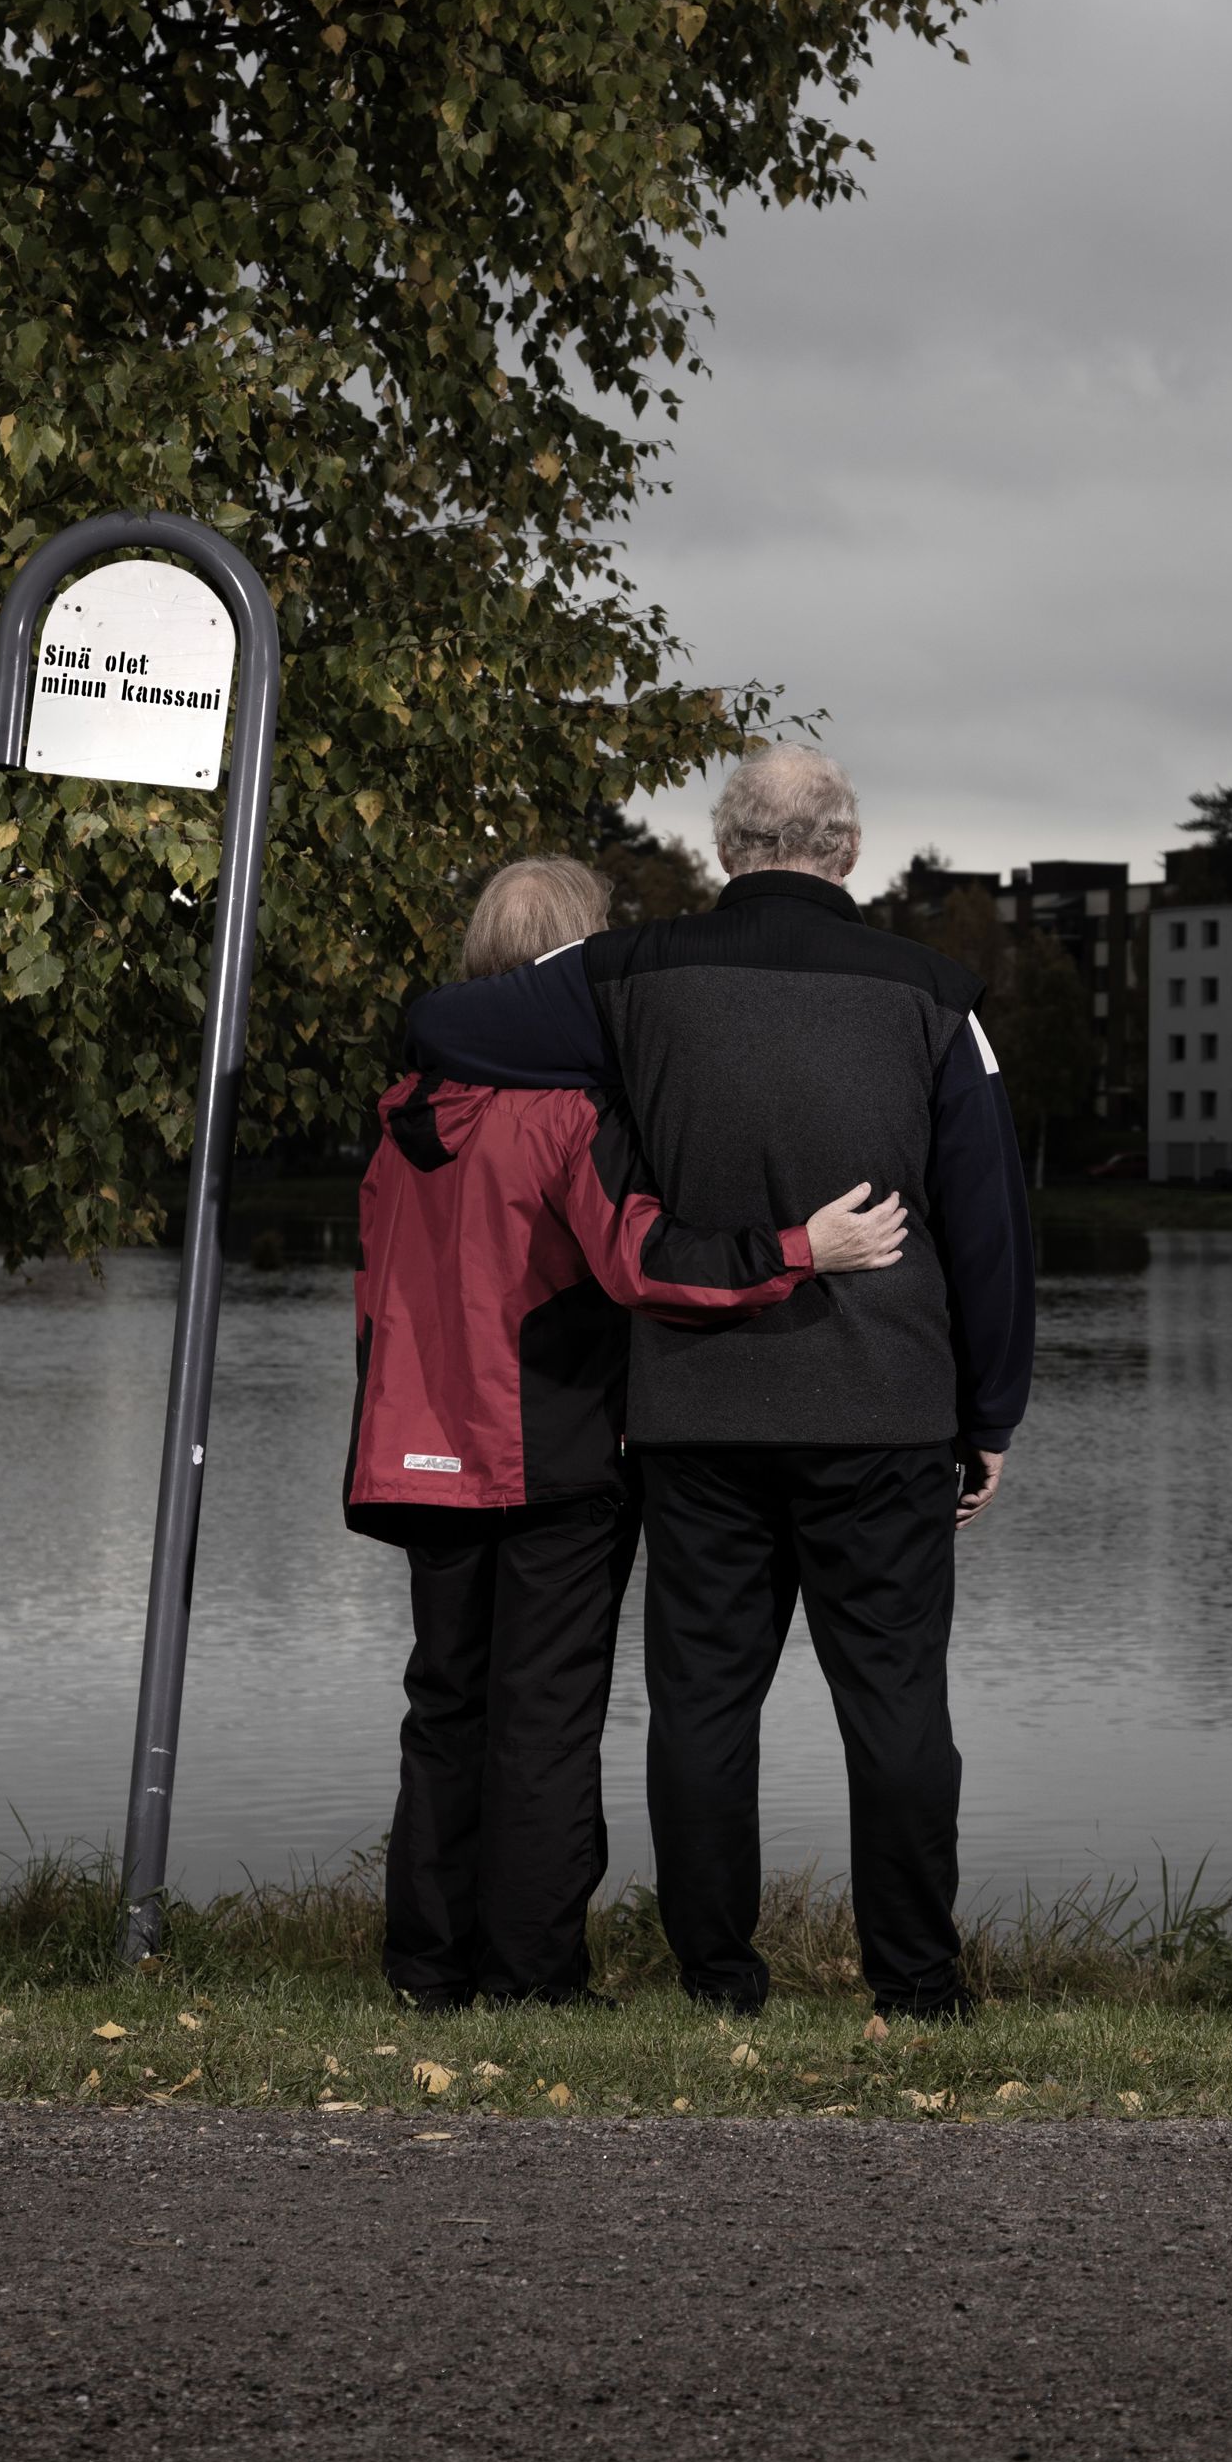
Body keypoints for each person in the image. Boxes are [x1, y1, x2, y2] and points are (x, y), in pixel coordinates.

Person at [403, 747, 1035, 2020]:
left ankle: (718, 1982)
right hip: (885, 1412)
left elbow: (438, 1022)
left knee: (700, 1711)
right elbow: (991, 1226)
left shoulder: (635, 974)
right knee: (900, 1710)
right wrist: (991, 1416)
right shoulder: (934, 995)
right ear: (847, 850)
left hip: (694, 1415)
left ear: (724, 847)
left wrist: (596, 1046)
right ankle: (916, 1986)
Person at [348, 851, 910, 2014]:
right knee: (545, 1720)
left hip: (416, 1454)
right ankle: (534, 1977)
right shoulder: (567, 1116)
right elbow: (646, 1264)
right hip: (547, 1453)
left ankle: (425, 1965)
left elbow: (378, 1295)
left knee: (446, 1706)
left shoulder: (403, 1112)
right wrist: (802, 1249)